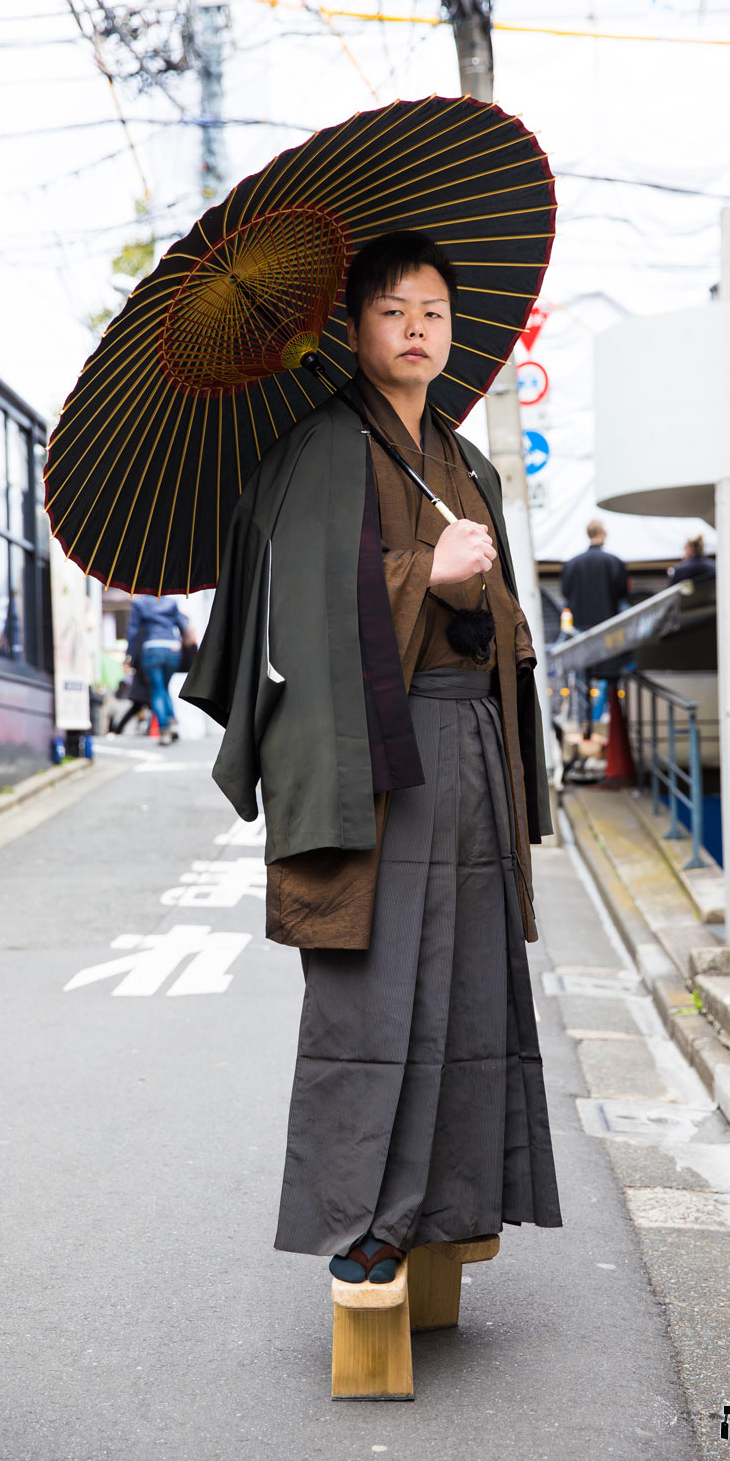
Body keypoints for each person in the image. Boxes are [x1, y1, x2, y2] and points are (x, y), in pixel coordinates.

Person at [182, 230, 562, 1287]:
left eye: (433, 312)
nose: (416, 330)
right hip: (373, 766)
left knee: (468, 991)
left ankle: (453, 1205)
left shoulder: (462, 458)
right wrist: (421, 575)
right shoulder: (319, 450)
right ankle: (369, 1221)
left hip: (468, 754)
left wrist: (468, 595)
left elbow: (495, 627)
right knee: (376, 993)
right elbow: (299, 622)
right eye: (393, 311)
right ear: (353, 331)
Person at [560, 520, 630, 735]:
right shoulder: (614, 562)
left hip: (581, 631)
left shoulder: (571, 564)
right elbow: (622, 595)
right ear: (602, 534)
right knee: (611, 681)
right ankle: (615, 731)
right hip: (609, 631)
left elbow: (565, 594)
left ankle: (585, 729)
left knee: (582, 681)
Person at [126, 595, 190, 745]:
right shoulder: (172, 603)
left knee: (157, 689)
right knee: (164, 688)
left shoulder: (139, 603)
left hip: (152, 648)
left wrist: (129, 654)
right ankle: (172, 720)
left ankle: (164, 729)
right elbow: (182, 625)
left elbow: (133, 630)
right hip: (172, 648)